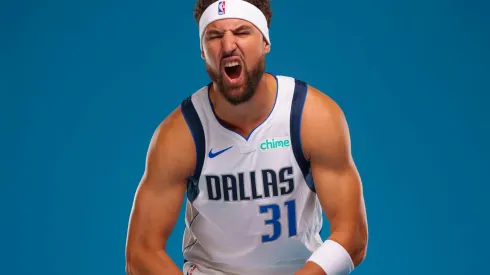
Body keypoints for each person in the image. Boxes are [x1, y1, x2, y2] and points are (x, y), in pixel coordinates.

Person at [125, 0, 368, 274]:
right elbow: (141, 252)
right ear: (203, 52)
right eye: (214, 36)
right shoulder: (181, 134)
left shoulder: (311, 117)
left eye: (241, 32)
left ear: (265, 42)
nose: (228, 45)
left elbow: (353, 234)